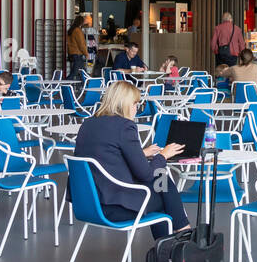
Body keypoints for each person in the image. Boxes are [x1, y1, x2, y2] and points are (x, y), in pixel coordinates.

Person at [71, 80, 191, 239]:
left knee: (162, 186)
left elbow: (105, 156)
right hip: (116, 208)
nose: (136, 108)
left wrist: (141, 153)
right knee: (163, 183)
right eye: (135, 104)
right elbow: (146, 174)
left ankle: (174, 242)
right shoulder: (125, 126)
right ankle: (182, 237)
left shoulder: (88, 123)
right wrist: (164, 155)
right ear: (125, 104)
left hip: (89, 204)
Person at [66, 15, 88, 81]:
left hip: (73, 54)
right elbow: (81, 44)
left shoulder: (71, 30)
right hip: (78, 54)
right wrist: (86, 53)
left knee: (82, 73)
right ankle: (63, 85)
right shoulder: (77, 31)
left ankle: (85, 87)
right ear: (81, 22)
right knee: (75, 73)